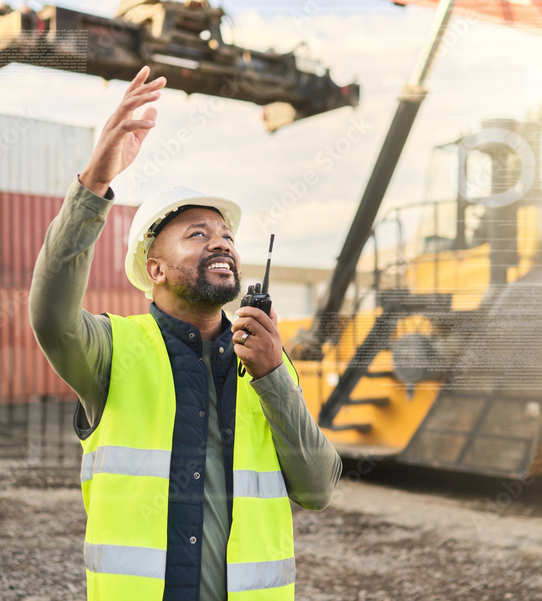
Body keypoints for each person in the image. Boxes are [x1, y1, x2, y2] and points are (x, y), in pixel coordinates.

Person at [28, 65, 342, 601]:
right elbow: (51, 315)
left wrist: (273, 377)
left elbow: (317, 489)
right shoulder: (113, 351)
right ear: (154, 269)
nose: (221, 243)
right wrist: (95, 183)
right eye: (198, 234)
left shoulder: (267, 363)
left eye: (226, 235)